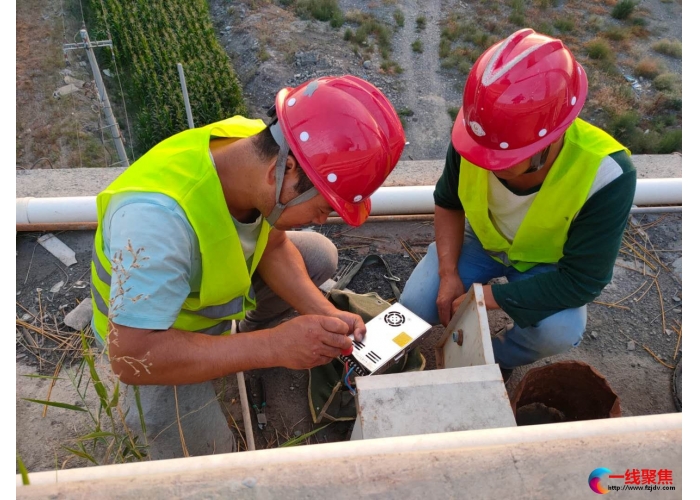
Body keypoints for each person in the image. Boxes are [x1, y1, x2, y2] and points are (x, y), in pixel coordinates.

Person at [90, 75, 405, 458]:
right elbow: (130, 357)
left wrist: (325, 311)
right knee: (207, 454)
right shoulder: (156, 225)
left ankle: (251, 334)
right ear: (284, 173)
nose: (322, 219)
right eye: (323, 207)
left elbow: (271, 245)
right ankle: (242, 348)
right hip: (154, 338)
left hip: (200, 295)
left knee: (319, 253)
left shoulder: (254, 146)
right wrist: (271, 347)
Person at [400, 29, 637, 376]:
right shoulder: (477, 136)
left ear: (550, 140)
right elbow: (448, 202)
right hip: (483, 243)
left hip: (548, 263)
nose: (485, 162)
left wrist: (483, 300)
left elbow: (582, 281)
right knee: (417, 303)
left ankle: (493, 361)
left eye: (503, 158)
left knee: (558, 331)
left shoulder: (607, 174)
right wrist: (449, 273)